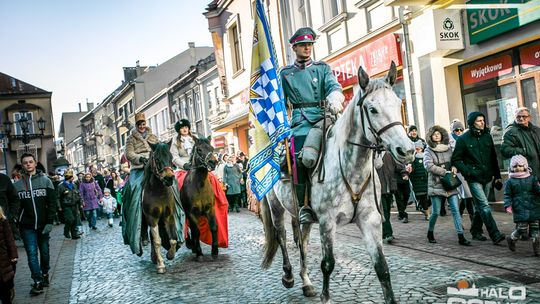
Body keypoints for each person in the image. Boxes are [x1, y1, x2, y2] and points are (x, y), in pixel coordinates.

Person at [280, 27, 344, 224]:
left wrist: (335, 97)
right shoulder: (285, 73)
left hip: (324, 117)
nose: (307, 48)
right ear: (295, 47)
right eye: (303, 45)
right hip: (300, 122)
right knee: (300, 160)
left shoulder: (322, 68)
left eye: (310, 45)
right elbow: (281, 103)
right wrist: (280, 125)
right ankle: (304, 206)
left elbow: (333, 85)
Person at [452, 112, 506, 245]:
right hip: (473, 178)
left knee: (480, 207)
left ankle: (475, 230)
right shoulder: (463, 139)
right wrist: (468, 172)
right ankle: (495, 234)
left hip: (487, 177)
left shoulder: (487, 137)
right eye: (479, 121)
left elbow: (494, 158)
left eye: (483, 120)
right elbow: (456, 159)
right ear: (471, 123)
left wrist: (497, 177)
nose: (482, 123)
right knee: (484, 206)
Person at [13, 153, 57, 295]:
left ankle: (44, 274)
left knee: (44, 252)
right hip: (27, 226)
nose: (28, 164)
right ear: (22, 165)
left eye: (30, 162)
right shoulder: (18, 185)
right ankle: (37, 281)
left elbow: (52, 203)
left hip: (44, 224)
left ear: (35, 163)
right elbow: (16, 206)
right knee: (32, 253)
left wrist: (50, 221)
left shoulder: (46, 181)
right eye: (25, 163)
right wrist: (16, 222)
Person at [424, 125, 471, 246]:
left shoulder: (449, 148)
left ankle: (461, 236)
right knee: (435, 212)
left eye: (438, 134)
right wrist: (444, 172)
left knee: (455, 210)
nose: (436, 136)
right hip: (436, 184)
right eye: (434, 134)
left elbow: (455, 160)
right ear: (431, 137)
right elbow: (428, 165)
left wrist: (454, 167)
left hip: (450, 184)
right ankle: (430, 232)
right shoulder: (428, 150)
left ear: (442, 135)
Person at [123, 112, 159, 255]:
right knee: (136, 188)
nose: (142, 126)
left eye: (144, 124)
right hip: (138, 169)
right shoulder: (130, 139)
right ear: (136, 126)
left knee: (171, 183)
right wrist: (140, 159)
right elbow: (128, 154)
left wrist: (154, 159)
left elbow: (158, 148)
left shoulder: (153, 136)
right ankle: (137, 223)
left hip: (153, 166)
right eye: (140, 124)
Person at [503, 155, 540, 256]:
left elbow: (537, 190)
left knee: (535, 228)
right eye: (515, 166)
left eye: (520, 165)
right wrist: (508, 205)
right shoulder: (510, 181)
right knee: (521, 228)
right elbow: (507, 195)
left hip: (534, 207)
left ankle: (537, 248)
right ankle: (511, 239)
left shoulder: (532, 179)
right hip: (520, 208)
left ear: (525, 166)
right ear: (511, 168)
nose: (517, 168)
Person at [449, 119, 476, 228]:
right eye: (456, 130)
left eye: (461, 129)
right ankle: (473, 221)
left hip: (468, 171)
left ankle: (459, 219)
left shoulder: (466, 139)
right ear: (453, 131)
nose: (459, 131)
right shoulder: (449, 142)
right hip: (457, 172)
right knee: (468, 196)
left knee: (466, 197)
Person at [501, 107, 540, 179]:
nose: (521, 119)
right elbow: (505, 150)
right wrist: (523, 151)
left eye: (524, 116)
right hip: (523, 173)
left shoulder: (536, 130)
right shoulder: (510, 132)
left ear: (529, 117)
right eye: (518, 117)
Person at [375, 152, 398, 244]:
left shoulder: (389, 154)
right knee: (383, 212)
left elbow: (397, 166)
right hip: (379, 188)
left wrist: (405, 172)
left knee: (387, 212)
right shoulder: (374, 155)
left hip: (389, 188)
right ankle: (387, 234)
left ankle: (384, 232)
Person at [407, 141, 430, 220]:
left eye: (419, 148)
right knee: (422, 196)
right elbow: (411, 171)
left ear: (422, 148)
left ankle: (424, 210)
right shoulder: (413, 159)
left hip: (427, 181)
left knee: (427, 197)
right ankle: (426, 213)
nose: (418, 150)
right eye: (416, 149)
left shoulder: (426, 156)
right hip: (417, 182)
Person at [57, 170, 82, 239]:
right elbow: (58, 197)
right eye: (71, 177)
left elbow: (78, 194)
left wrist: (80, 203)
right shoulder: (61, 186)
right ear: (68, 177)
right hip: (66, 205)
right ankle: (66, 230)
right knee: (70, 219)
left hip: (74, 204)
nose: (73, 178)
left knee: (75, 220)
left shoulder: (74, 185)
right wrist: (59, 206)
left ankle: (74, 234)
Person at [0, 206, 17, 304]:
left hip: (4, 259)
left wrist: (13, 256)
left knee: (5, 290)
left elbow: (10, 239)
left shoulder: (3, 221)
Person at [0, 173, 20, 241]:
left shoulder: (3, 179)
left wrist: (11, 216)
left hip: (3, 224)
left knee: (7, 249)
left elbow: (14, 199)